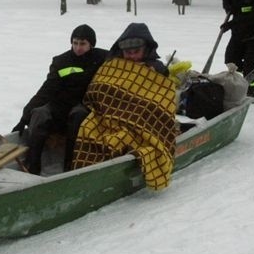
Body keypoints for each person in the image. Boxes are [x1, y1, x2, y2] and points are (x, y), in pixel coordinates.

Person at [71, 23, 177, 190]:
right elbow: (98, 87)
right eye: (128, 52)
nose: (132, 56)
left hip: (139, 122)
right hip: (104, 114)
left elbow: (161, 100)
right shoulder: (113, 64)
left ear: (146, 49)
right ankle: (76, 172)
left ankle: (106, 177)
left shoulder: (157, 69)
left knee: (122, 138)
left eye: (136, 52)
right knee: (86, 126)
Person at [11, 24, 108, 174]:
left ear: (91, 44)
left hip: (84, 105)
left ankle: (70, 166)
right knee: (39, 113)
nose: (78, 48)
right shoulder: (61, 61)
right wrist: (25, 117)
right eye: (75, 43)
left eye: (82, 44)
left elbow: (126, 60)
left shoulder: (102, 58)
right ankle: (33, 166)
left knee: (77, 115)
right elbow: (46, 90)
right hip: (59, 105)